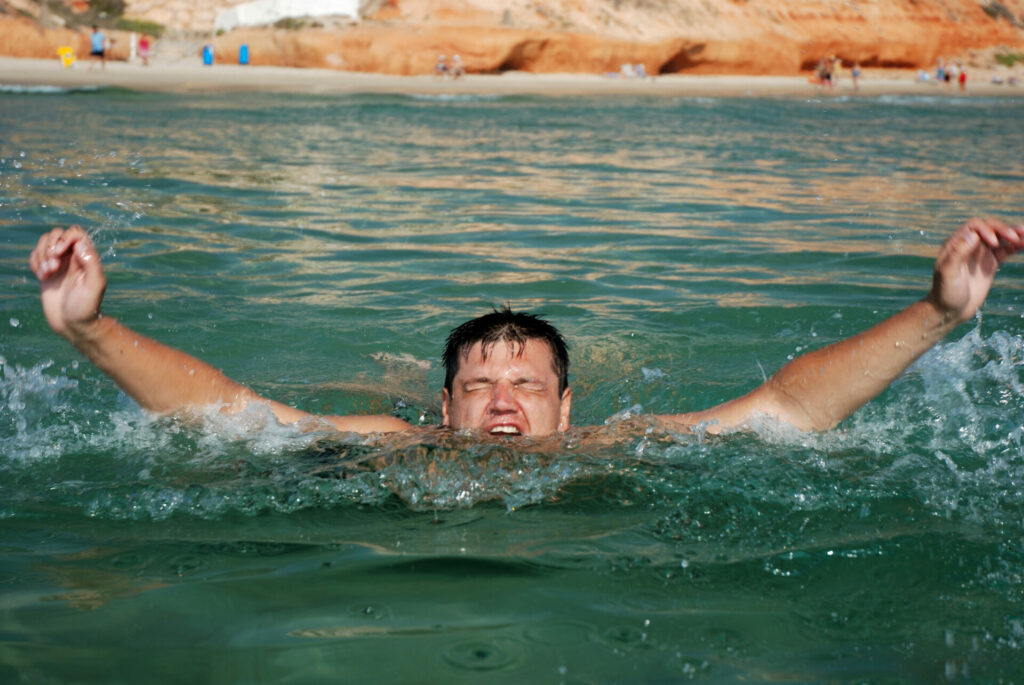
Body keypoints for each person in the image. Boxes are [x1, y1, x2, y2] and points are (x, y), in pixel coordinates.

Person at [28, 219, 1024, 438]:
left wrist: (939, 312)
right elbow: (238, 412)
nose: (502, 403)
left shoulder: (613, 446)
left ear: (567, 404)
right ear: (443, 406)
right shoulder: (396, 446)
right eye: (477, 386)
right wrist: (91, 329)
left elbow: (781, 406)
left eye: (525, 385)